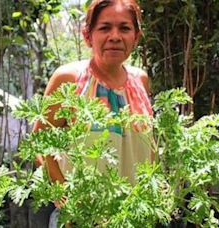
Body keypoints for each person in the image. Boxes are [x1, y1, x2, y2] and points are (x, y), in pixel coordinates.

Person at [31, 0, 153, 226]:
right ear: (88, 35)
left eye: (124, 28)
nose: (115, 36)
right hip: (80, 218)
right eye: (105, 28)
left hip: (134, 217)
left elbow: (148, 146)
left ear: (136, 37)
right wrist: (65, 197)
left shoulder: (141, 81)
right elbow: (39, 145)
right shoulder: (68, 79)